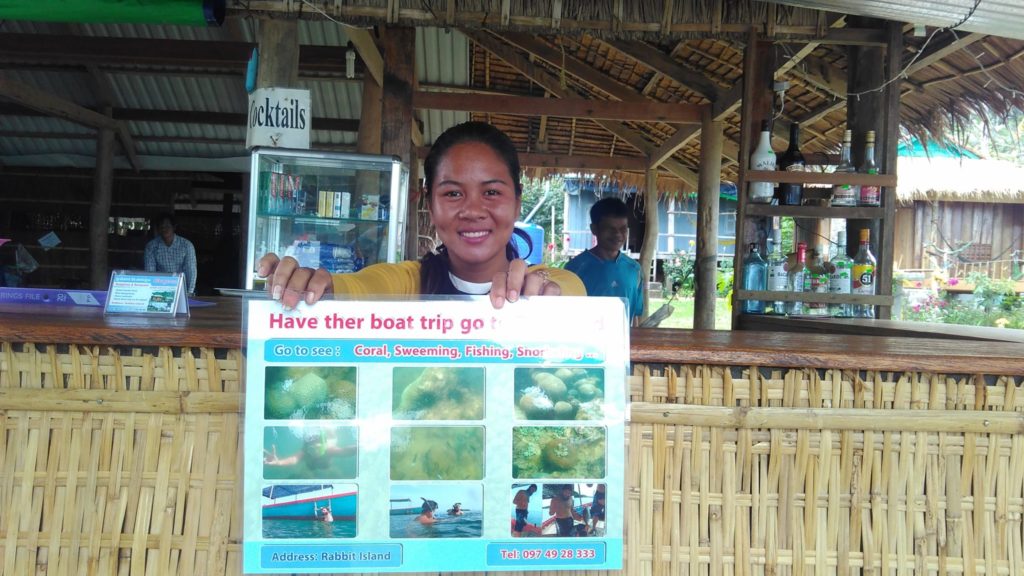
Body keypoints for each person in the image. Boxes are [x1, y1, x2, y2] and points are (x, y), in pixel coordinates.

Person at [256, 121, 584, 308]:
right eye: (453, 193)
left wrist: (539, 293)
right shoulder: (407, 283)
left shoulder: (551, 282)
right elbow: (355, 287)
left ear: (516, 203)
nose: (472, 210)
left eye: (492, 192)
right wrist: (314, 285)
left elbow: (569, 292)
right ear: (430, 204)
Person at [564, 197, 644, 323]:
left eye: (623, 229)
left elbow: (635, 316)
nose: (618, 234)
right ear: (594, 229)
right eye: (610, 229)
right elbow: (566, 316)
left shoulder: (634, 269)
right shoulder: (574, 269)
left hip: (624, 341)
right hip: (586, 340)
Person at [144, 213, 197, 296]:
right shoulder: (151, 246)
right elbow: (150, 272)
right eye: (161, 227)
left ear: (174, 227)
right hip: (159, 290)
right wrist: (152, 292)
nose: (164, 229)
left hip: (182, 290)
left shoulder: (186, 245)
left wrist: (189, 293)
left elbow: (191, 271)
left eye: (167, 226)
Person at [263, 427, 356, 472]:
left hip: (326, 461)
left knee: (331, 433)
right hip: (312, 463)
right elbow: (294, 459)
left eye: (318, 448)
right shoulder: (305, 451)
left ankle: (329, 428)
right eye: (312, 449)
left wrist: (360, 448)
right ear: (307, 448)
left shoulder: (330, 449)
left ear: (324, 447)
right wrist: (278, 462)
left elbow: (345, 451)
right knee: (310, 467)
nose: (315, 452)